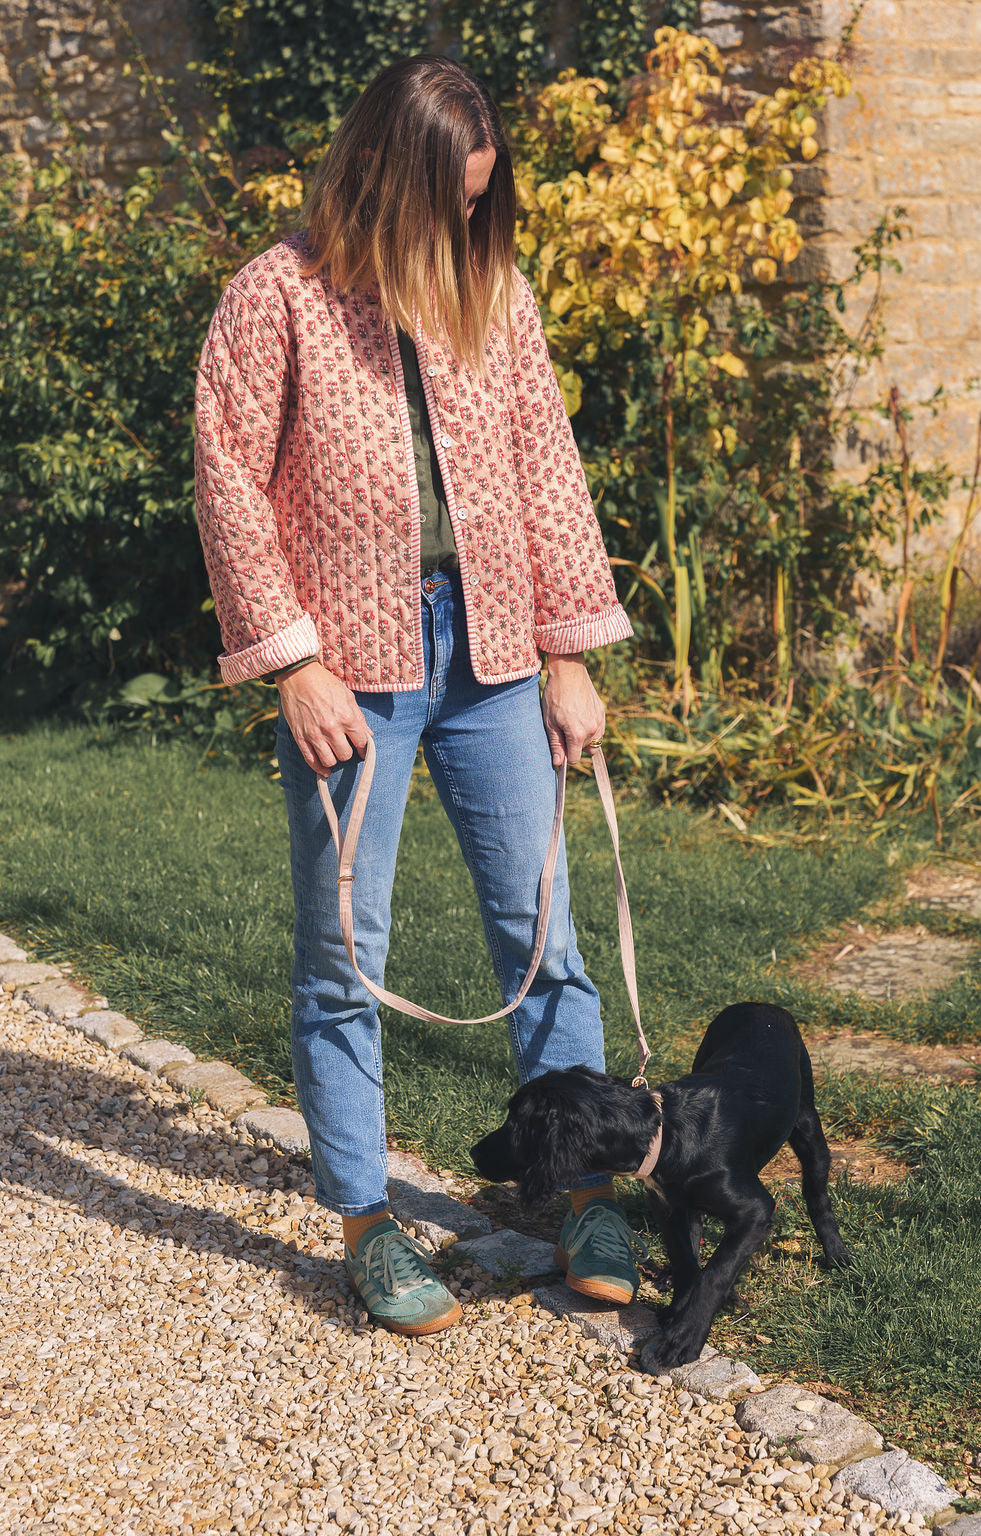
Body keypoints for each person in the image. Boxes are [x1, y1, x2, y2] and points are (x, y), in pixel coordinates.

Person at [194, 53, 640, 1338]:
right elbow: (227, 476)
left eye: (477, 200)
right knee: (344, 959)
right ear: (384, 174)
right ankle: (367, 1223)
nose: (458, 222)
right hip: (352, 668)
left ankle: (582, 1192)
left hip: (498, 652)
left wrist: (568, 649)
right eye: (442, 197)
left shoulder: (492, 289)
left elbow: (545, 465)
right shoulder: (274, 294)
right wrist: (292, 660)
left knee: (545, 938)